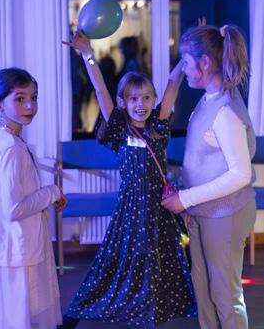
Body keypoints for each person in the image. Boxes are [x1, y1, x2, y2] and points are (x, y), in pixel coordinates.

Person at [61, 32, 196, 328]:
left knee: (162, 259)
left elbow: (173, 83)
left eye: (146, 97)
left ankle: (154, 311)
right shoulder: (120, 127)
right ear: (123, 102)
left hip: (159, 207)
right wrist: (87, 54)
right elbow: (100, 90)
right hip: (131, 208)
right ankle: (73, 315)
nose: (140, 104)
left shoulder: (158, 125)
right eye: (133, 98)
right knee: (112, 260)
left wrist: (186, 54)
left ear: (153, 100)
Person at [161, 23, 256, 329]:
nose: (183, 69)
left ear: (205, 62)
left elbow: (240, 174)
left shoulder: (226, 111)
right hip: (202, 212)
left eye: (186, 61)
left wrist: (186, 198)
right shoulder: (209, 98)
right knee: (203, 290)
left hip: (225, 215)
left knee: (225, 295)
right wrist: (190, 204)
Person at [0, 68, 67, 329]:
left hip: (11, 243)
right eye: (20, 99)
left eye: (34, 98)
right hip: (15, 246)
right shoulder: (11, 147)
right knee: (17, 317)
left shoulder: (6, 138)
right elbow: (13, 209)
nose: (30, 106)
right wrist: (52, 192)